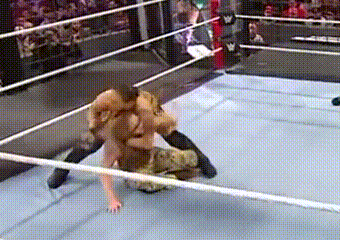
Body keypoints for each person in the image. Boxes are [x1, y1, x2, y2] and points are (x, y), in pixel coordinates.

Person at [47, 84, 216, 189]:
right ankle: (61, 170)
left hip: (146, 116)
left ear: (129, 104)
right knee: (91, 141)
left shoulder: (144, 107)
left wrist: (130, 137)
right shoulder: (106, 99)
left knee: (170, 134)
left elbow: (148, 141)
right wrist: (95, 125)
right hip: (118, 116)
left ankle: (203, 160)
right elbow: (93, 113)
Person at [99, 110, 202, 212]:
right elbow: (104, 170)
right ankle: (175, 176)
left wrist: (167, 122)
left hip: (153, 156)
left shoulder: (143, 122)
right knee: (148, 183)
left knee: (190, 157)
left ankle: (172, 171)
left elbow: (165, 124)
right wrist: (112, 199)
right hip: (135, 170)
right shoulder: (114, 144)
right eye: (137, 127)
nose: (141, 128)